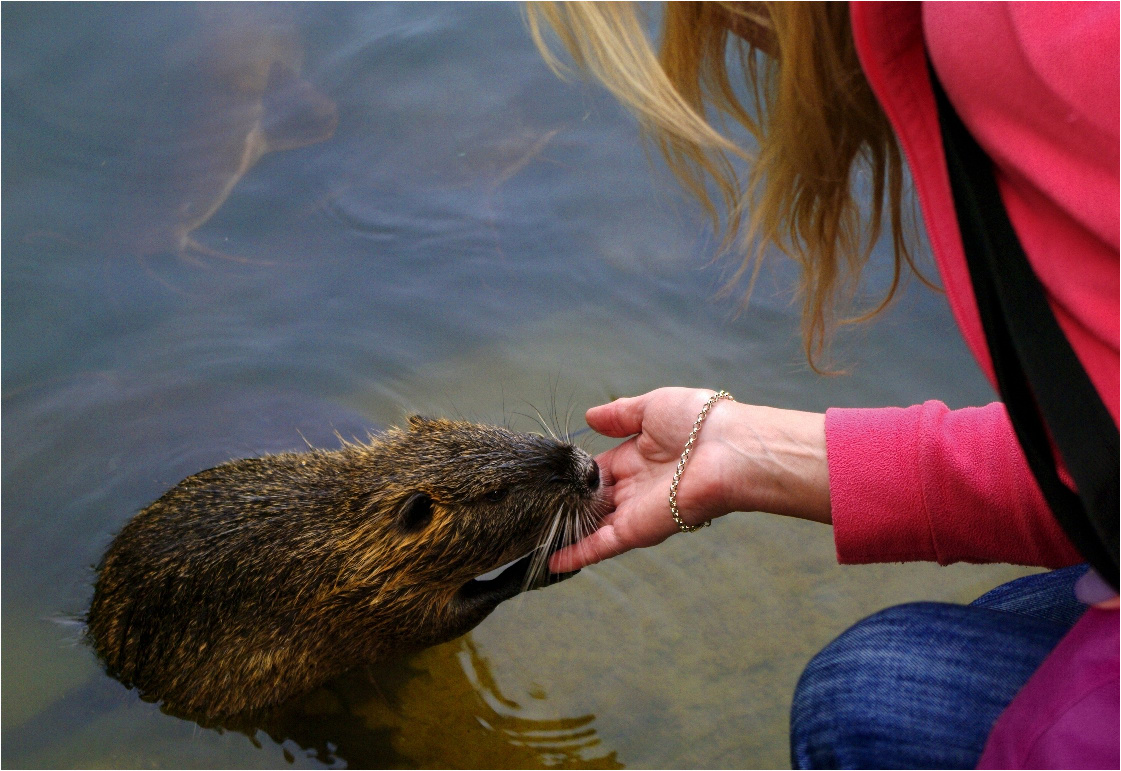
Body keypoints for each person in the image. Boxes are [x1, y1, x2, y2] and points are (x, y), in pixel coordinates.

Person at [525, 3, 1118, 768]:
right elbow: (1102, 464)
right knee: (884, 676)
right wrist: (748, 451)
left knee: (872, 710)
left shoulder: (1018, 41)